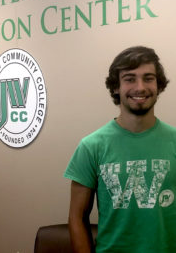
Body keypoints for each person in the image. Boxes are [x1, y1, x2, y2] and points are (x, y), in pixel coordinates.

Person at [64, 46, 176, 253]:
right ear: (116, 87)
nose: (140, 87)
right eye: (130, 78)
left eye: (148, 78)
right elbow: (76, 217)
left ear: (159, 85)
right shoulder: (91, 146)